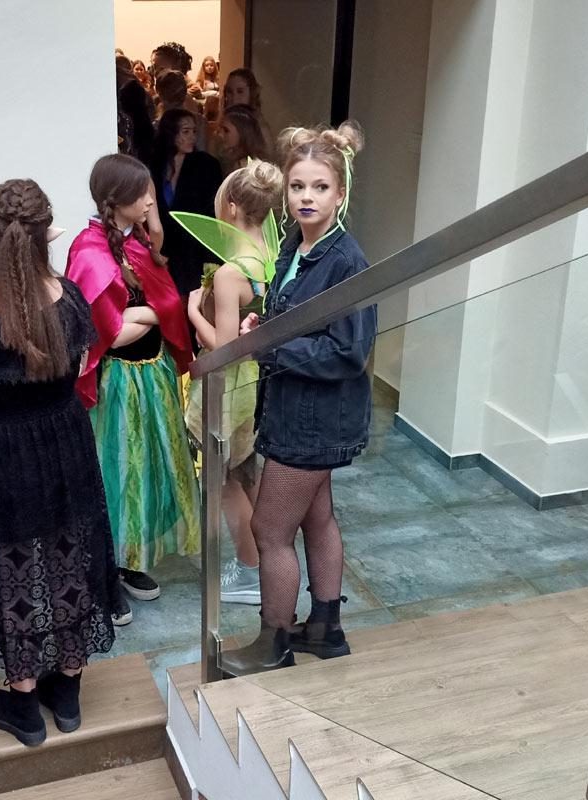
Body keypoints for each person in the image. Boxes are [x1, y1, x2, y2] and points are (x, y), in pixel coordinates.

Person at [0, 179, 116, 747]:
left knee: (12, 559)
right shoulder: (71, 298)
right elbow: (79, 362)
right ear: (45, 236)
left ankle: (23, 704)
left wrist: (0, 378)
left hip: (4, 445)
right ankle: (67, 692)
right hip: (65, 439)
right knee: (69, 549)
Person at [224, 122, 375, 675]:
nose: (307, 197)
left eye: (320, 187)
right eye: (297, 186)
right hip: (295, 408)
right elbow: (295, 321)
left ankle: (275, 643)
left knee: (269, 531)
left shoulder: (346, 261)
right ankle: (325, 630)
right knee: (318, 518)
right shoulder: (295, 245)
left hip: (314, 418)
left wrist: (271, 345)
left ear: (340, 194)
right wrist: (263, 324)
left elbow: (348, 353)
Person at [65, 154, 200, 605]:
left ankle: (129, 559)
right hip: (117, 381)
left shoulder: (136, 241)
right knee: (116, 471)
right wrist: (156, 314)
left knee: (145, 470)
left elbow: (152, 302)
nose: (149, 200)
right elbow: (108, 334)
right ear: (116, 198)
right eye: (142, 194)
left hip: (152, 374)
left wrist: (145, 314)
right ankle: (104, 569)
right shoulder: (89, 251)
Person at [180, 160, 284, 605]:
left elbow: (224, 349)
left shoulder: (230, 273)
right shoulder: (273, 257)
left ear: (235, 206)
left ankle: (248, 571)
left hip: (229, 388)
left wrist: (192, 313)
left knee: (224, 480)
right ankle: (263, 559)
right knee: (246, 472)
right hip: (259, 383)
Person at [151, 109, 223, 297]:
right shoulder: (155, 164)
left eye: (194, 131)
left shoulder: (206, 164)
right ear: (171, 133)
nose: (192, 137)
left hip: (195, 249)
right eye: (185, 131)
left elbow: (213, 210)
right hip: (165, 249)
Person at [217, 104, 271, 174]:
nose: (220, 134)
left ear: (242, 133)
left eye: (226, 130)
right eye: (219, 129)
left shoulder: (248, 166)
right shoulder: (227, 159)